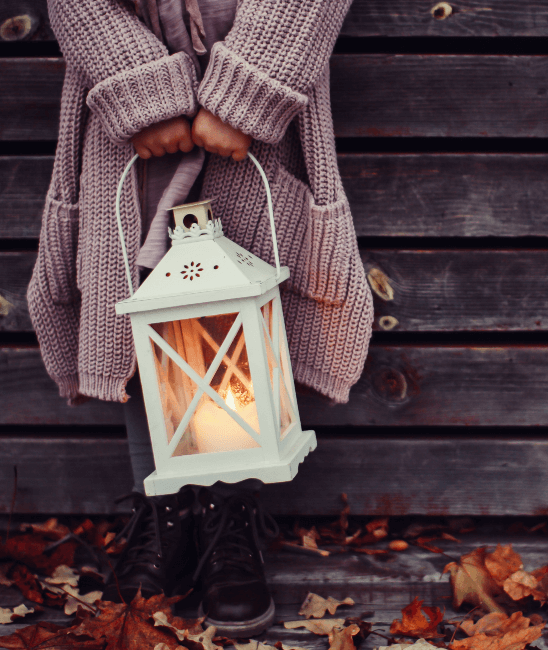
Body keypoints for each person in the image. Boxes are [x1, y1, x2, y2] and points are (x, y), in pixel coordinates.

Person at [27, 0, 374, 636]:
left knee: (235, 307)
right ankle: (166, 513)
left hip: (256, 129)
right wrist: (138, 89)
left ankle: (228, 515)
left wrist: (247, 92)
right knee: (139, 308)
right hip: (126, 128)